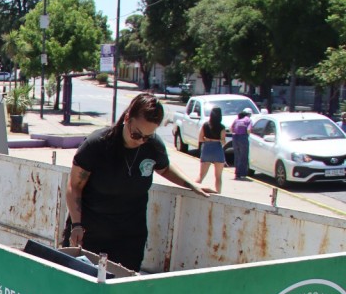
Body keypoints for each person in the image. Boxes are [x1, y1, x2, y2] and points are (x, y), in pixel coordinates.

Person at [65, 92, 210, 272]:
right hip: (90, 232)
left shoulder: (152, 146)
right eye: (137, 134)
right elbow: (74, 187)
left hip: (129, 237)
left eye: (147, 136)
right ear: (127, 118)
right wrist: (77, 225)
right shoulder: (97, 144)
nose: (141, 141)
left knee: (122, 289)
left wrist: (191, 184)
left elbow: (164, 168)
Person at [197, 106, 227, 193]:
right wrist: (216, 140)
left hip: (207, 149)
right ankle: (218, 193)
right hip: (217, 150)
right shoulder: (222, 127)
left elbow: (200, 139)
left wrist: (208, 139)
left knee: (201, 175)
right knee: (218, 177)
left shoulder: (205, 125)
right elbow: (223, 141)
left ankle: (194, 188)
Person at [229, 107, 253, 180]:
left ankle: (237, 173)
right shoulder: (248, 120)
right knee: (244, 156)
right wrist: (247, 135)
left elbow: (231, 128)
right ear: (249, 114)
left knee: (237, 155)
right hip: (243, 138)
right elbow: (249, 130)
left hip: (235, 137)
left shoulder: (237, 119)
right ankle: (242, 173)